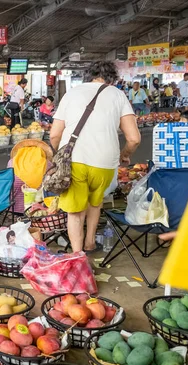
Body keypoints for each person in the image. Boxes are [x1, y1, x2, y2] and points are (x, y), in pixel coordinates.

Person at [49, 61, 141, 253]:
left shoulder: (72, 93)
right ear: (112, 78)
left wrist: (58, 155)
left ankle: (77, 255)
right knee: (95, 202)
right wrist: (124, 155)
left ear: (88, 76)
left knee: (75, 211)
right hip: (105, 163)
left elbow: (54, 135)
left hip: (74, 159)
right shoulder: (118, 94)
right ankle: (90, 242)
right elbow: (134, 139)